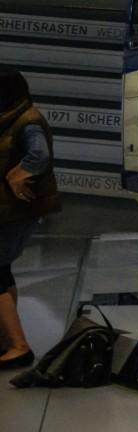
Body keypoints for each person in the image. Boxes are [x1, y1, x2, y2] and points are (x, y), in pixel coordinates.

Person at [1, 66, 62, 370]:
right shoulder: (12, 118)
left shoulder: (28, 121)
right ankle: (8, 341)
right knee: (2, 272)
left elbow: (40, 155)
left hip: (15, 211)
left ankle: (18, 346)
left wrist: (16, 176)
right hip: (9, 211)